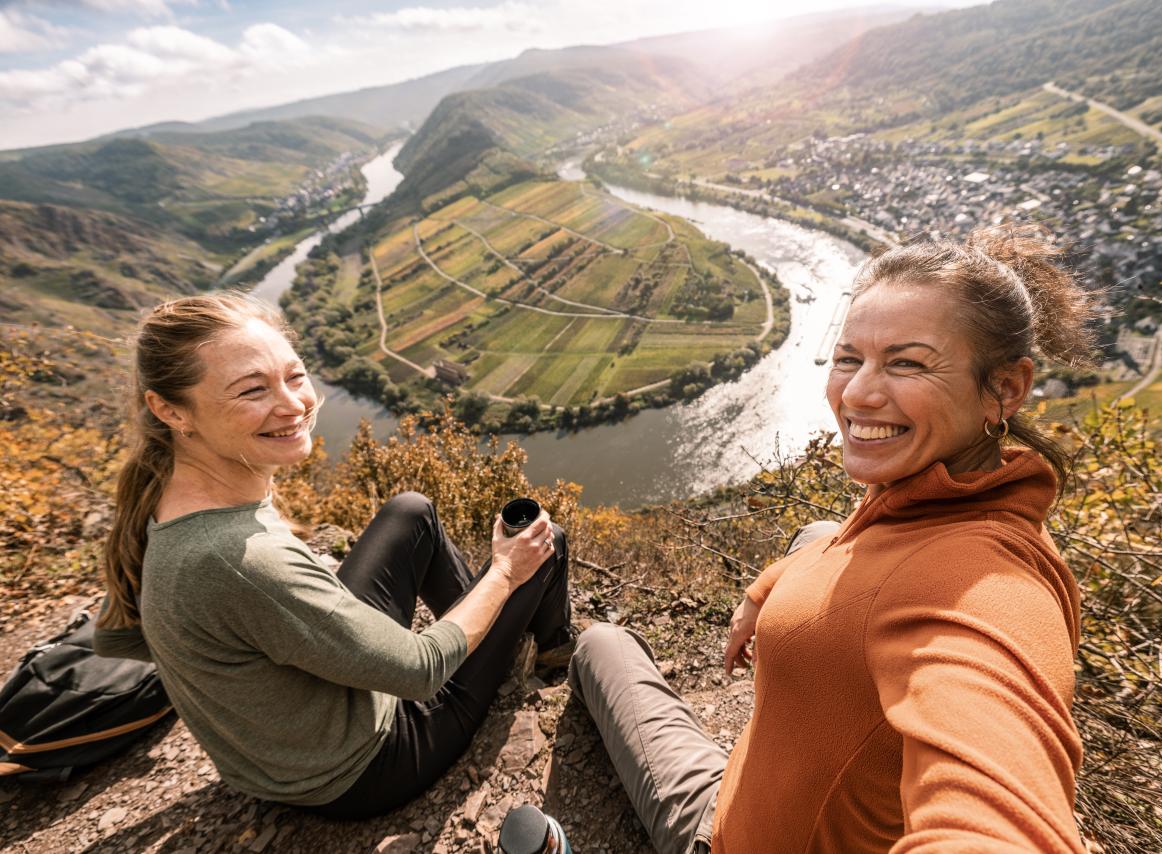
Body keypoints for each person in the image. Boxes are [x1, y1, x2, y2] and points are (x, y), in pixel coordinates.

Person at [569, 224, 1098, 853]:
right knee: (812, 531)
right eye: (849, 357)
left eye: (907, 363)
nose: (856, 392)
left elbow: (995, 817)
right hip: (747, 791)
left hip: (721, 838)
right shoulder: (925, 496)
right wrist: (772, 586)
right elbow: (846, 540)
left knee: (599, 643)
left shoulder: (977, 587)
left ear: (1005, 389)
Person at [93, 293, 574, 820]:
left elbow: (119, 637)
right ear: (170, 409)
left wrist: (263, 654)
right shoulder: (235, 557)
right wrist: (504, 571)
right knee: (543, 548)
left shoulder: (165, 493)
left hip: (297, 737)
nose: (294, 404)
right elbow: (420, 670)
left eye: (294, 376)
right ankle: (550, 652)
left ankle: (488, 639)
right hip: (360, 768)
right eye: (253, 390)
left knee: (411, 512)